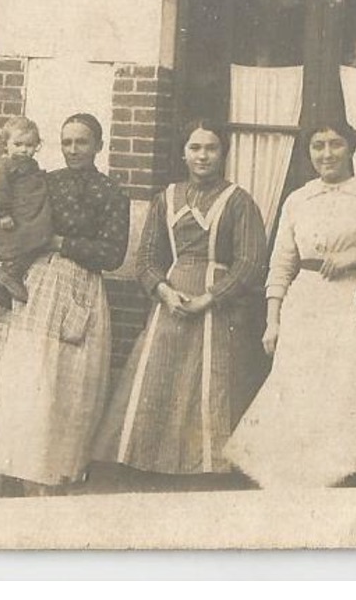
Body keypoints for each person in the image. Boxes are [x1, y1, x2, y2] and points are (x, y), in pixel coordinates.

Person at [0, 113, 129, 491]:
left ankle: (51, 471)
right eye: (66, 142)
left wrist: (61, 244)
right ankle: (10, 467)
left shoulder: (112, 193)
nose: (73, 150)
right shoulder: (44, 181)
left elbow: (113, 253)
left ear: (99, 146)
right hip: (33, 281)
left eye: (81, 142)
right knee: (22, 374)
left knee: (60, 380)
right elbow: (12, 208)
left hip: (78, 285)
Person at [92, 119, 269, 479]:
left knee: (210, 380)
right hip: (170, 300)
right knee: (158, 375)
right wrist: (164, 292)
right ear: (183, 154)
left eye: (211, 148)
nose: (203, 156)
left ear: (223, 154)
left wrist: (211, 298)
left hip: (217, 305)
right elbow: (146, 259)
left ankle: (205, 465)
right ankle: (151, 462)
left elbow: (251, 261)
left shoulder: (238, 201)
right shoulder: (166, 198)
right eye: (195, 148)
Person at [224, 119, 356, 488]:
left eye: (335, 144)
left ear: (351, 148)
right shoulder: (298, 199)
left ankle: (332, 475)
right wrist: (273, 320)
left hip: (348, 303)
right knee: (295, 385)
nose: (327, 154)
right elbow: (281, 263)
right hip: (303, 302)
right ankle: (290, 476)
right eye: (318, 146)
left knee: (339, 386)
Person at [0, 116, 54, 308]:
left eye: (29, 145)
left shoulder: (31, 166)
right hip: (11, 217)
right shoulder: (3, 166)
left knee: (35, 241)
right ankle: (8, 275)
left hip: (27, 216)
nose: (23, 150)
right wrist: (2, 212)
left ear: (37, 145)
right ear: (6, 145)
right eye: (18, 144)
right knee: (21, 245)